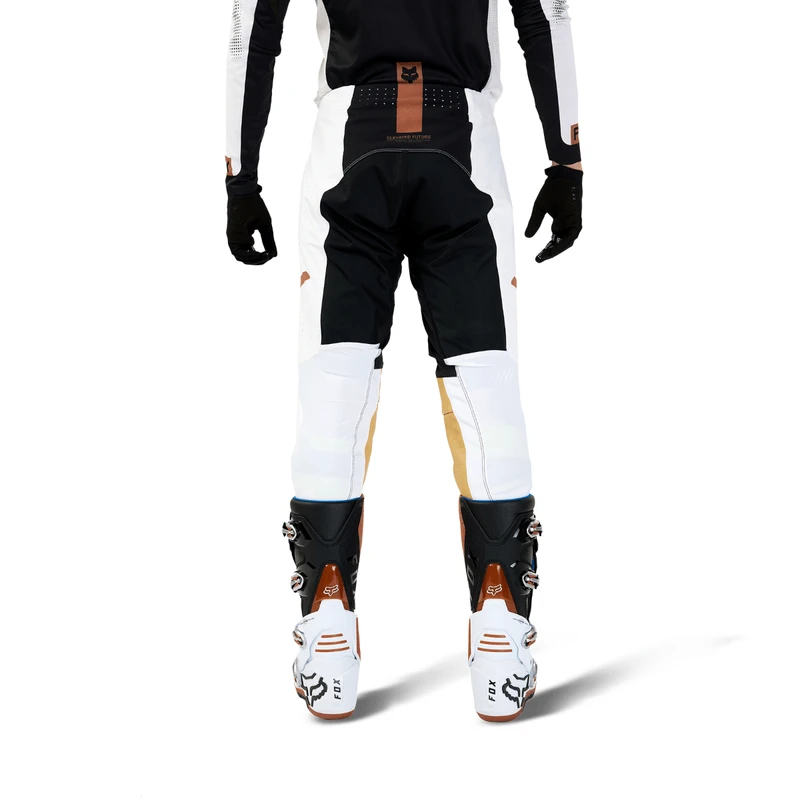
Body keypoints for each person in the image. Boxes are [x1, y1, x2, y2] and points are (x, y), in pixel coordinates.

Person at [225, 0, 583, 722]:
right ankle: (500, 625)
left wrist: (240, 178)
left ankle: (327, 620)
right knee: (485, 378)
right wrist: (566, 156)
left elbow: (250, 28)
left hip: (349, 137)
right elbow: (547, 15)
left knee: (335, 380)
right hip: (461, 135)